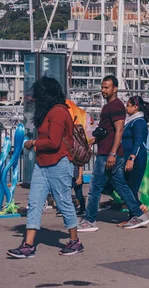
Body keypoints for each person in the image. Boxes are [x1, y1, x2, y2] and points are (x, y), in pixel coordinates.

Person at [7, 77, 84, 258]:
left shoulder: (58, 112)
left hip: (59, 163)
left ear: (46, 94)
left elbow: (54, 142)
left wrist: (32, 143)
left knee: (64, 202)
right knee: (34, 203)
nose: (35, 98)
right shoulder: (49, 111)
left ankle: (75, 241)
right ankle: (28, 245)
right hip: (42, 164)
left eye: (38, 94)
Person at [77, 76, 149, 232]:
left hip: (108, 154)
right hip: (109, 152)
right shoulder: (110, 106)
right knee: (121, 187)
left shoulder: (115, 106)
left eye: (106, 87)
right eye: (102, 87)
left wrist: (112, 153)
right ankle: (138, 214)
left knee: (95, 187)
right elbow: (108, 131)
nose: (103, 90)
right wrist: (94, 140)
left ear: (114, 88)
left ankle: (89, 220)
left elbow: (119, 130)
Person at [116, 96, 149, 227]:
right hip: (127, 158)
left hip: (136, 159)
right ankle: (134, 214)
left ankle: (138, 212)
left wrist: (132, 158)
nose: (126, 108)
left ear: (135, 107)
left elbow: (138, 142)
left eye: (128, 105)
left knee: (130, 188)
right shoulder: (131, 121)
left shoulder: (139, 122)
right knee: (127, 187)